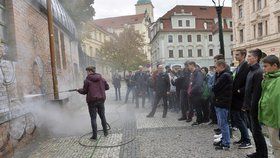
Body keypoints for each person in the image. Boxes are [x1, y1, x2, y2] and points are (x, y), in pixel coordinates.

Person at [243, 49, 268, 158]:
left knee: (257, 131)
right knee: (254, 131)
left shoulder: (258, 72)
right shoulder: (251, 70)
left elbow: (256, 94)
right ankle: (259, 152)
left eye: (249, 56)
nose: (247, 58)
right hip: (249, 106)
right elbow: (248, 91)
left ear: (256, 58)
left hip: (254, 107)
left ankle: (263, 154)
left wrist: (252, 108)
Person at [77, 66, 109, 140]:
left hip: (92, 102)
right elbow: (107, 87)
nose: (87, 73)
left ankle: (95, 136)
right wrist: (100, 89)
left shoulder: (87, 80)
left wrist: (78, 90)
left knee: (93, 118)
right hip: (101, 100)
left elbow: (84, 91)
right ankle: (105, 132)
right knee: (102, 116)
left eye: (87, 71)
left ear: (90, 71)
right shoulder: (101, 78)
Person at [259, 55, 280, 158]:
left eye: (266, 66)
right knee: (274, 144)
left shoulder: (278, 80)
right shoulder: (269, 78)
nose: (264, 69)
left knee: (277, 145)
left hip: (275, 119)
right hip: (268, 117)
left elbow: (277, 101)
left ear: (275, 65)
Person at [231, 49, 252, 149]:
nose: (236, 56)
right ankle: (243, 138)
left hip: (240, 97)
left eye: (238, 55)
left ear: (243, 55)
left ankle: (247, 140)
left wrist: (240, 91)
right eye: (235, 54)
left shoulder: (247, 66)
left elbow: (248, 83)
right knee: (237, 118)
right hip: (235, 97)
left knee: (240, 119)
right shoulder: (238, 66)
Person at [212, 60, 233, 150]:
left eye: (216, 67)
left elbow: (215, 87)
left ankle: (226, 143)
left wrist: (216, 76)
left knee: (223, 124)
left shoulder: (224, 76)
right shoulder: (223, 75)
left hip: (222, 102)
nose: (215, 69)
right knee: (222, 124)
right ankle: (224, 140)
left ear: (221, 66)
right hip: (220, 101)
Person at [187, 61, 204, 126]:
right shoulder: (193, 73)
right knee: (196, 107)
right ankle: (199, 120)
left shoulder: (198, 73)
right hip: (193, 93)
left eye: (189, 65)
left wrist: (191, 90)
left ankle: (199, 121)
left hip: (197, 93)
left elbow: (198, 84)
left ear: (192, 65)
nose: (188, 67)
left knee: (198, 107)